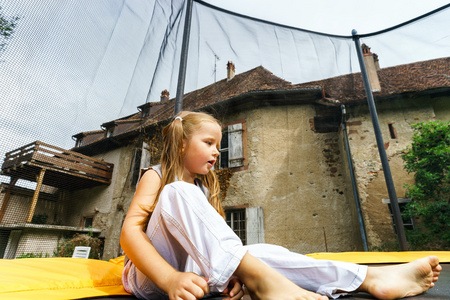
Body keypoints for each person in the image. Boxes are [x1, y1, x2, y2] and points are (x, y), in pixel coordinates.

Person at [120, 111, 442, 300]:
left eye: (220, 145)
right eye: (209, 143)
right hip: (149, 277)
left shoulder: (204, 186)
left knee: (264, 252)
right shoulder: (159, 176)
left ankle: (369, 278)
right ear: (181, 143)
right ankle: (265, 283)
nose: (218, 151)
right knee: (177, 193)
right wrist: (167, 278)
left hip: (193, 275)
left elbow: (214, 242)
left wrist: (232, 273)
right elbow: (130, 233)